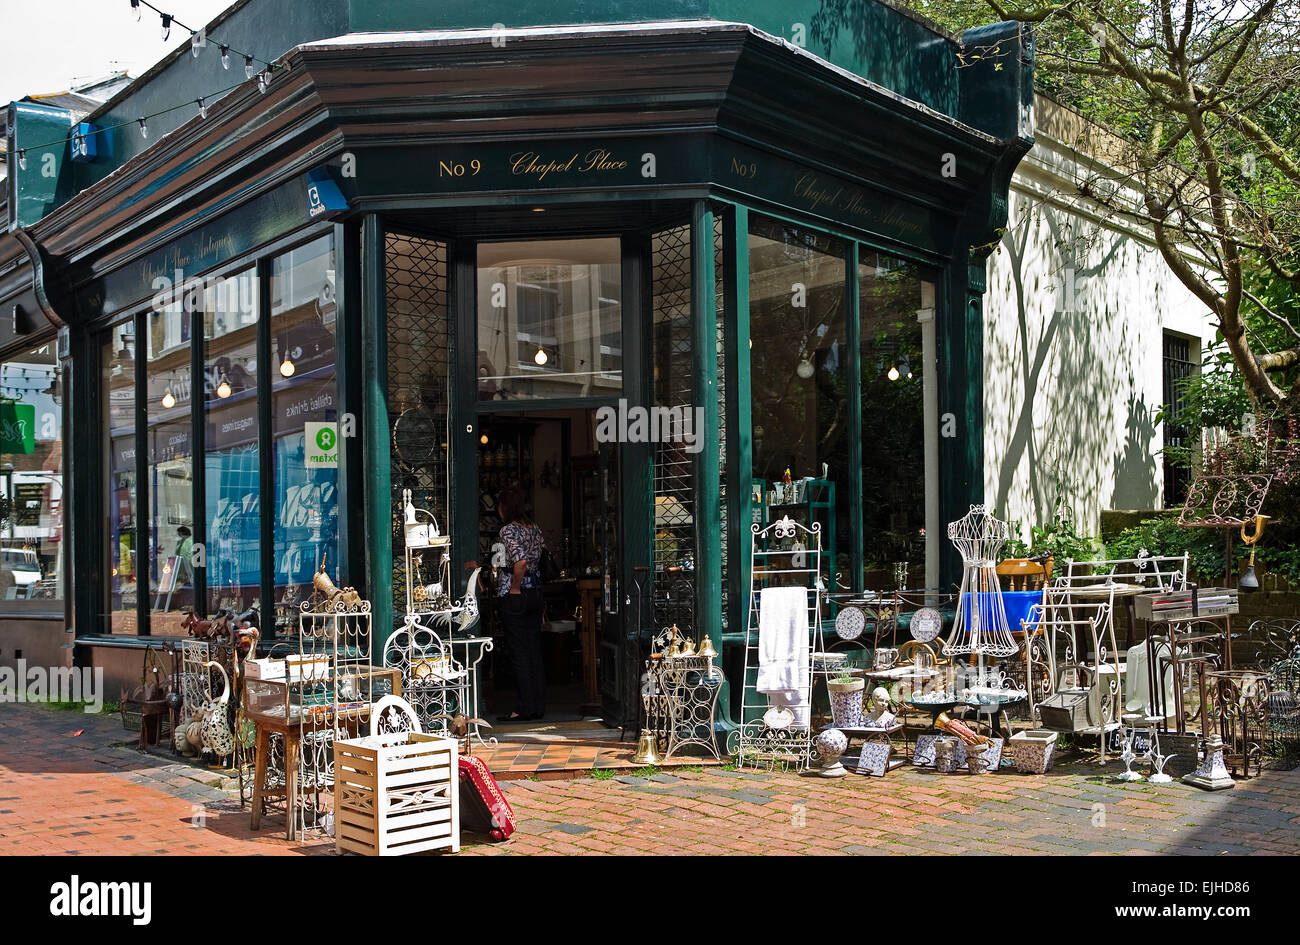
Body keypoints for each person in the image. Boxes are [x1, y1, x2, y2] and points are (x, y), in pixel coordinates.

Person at [494, 485, 546, 722]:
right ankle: (536, 705)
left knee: (519, 652)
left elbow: (520, 562)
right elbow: (541, 554)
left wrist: (514, 587)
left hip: (516, 595)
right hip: (535, 591)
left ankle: (524, 708)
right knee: (534, 649)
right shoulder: (533, 527)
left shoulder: (508, 530)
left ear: (506, 507)